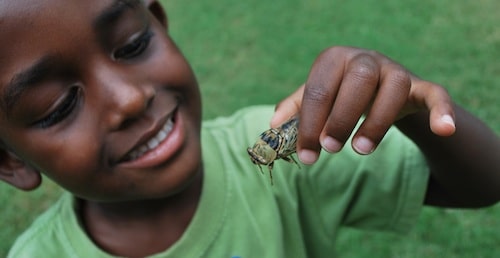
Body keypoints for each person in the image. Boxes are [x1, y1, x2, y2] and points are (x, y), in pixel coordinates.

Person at [1, 0, 498, 257]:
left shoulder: (283, 143)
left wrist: (418, 118)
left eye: (131, 45)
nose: (130, 99)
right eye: (57, 106)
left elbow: (486, 183)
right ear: (9, 159)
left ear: (158, 21)